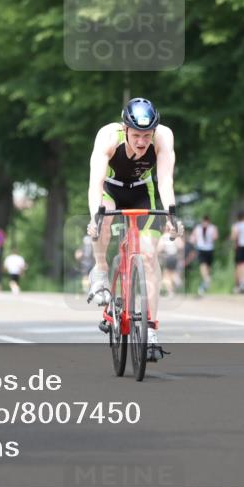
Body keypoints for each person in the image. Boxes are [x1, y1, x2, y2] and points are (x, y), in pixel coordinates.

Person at [86, 97, 181, 362]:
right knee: (104, 221)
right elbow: (95, 183)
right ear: (125, 128)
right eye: (137, 135)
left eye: (147, 135)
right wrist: (96, 216)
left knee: (149, 255)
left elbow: (165, 180)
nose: (142, 142)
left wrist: (171, 213)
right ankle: (101, 270)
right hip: (110, 188)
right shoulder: (108, 136)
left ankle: (150, 330)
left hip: (142, 191)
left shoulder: (163, 138)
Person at [190, 215, 218, 295]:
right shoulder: (198, 228)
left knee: (207, 268)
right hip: (202, 249)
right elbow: (193, 238)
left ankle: (204, 284)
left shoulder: (212, 228)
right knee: (203, 266)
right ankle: (207, 280)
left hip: (209, 249)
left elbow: (215, 237)